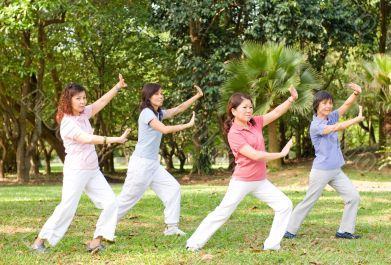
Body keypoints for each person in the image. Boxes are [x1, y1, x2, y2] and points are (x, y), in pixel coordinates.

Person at [186, 86, 298, 251]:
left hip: (260, 181)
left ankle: (272, 244)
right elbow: (255, 155)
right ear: (233, 111)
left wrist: (291, 99)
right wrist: (281, 154)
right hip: (243, 181)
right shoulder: (234, 133)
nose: (249, 110)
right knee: (222, 212)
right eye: (244, 107)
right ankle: (193, 243)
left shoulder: (255, 123)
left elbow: (275, 113)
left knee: (284, 205)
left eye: (250, 107)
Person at [31, 75, 131, 253]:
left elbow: (101, 102)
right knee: (67, 207)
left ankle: (95, 241)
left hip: (92, 170)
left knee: (111, 203)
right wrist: (116, 139)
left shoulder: (84, 114)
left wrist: (117, 87)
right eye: (78, 98)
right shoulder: (67, 123)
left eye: (84, 98)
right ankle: (39, 241)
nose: (83, 101)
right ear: (68, 100)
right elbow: (87, 138)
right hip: (76, 170)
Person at [116, 83, 203, 236]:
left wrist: (197, 96)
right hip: (141, 164)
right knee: (127, 198)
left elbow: (179, 108)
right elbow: (164, 129)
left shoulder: (159, 113)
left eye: (161, 93)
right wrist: (188, 125)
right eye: (156, 94)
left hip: (153, 165)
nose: (160, 96)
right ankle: (103, 227)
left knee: (172, 188)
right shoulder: (146, 113)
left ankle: (171, 227)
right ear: (148, 97)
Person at [284, 83, 363, 240]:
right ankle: (288, 230)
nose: (328, 106)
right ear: (317, 105)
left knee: (353, 197)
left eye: (330, 103)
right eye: (325, 103)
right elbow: (337, 127)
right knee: (309, 201)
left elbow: (346, 105)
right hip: (321, 171)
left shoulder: (331, 116)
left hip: (335, 170)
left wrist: (355, 93)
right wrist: (356, 119)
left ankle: (344, 231)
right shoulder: (316, 125)